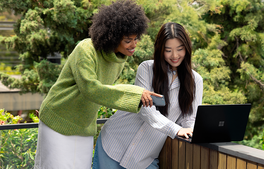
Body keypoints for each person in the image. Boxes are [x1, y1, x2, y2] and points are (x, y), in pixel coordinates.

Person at [34, 0, 161, 168]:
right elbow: (90, 88)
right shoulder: (86, 49)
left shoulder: (119, 59)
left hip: (84, 125)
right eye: (128, 40)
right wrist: (136, 94)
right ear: (113, 37)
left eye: (136, 38)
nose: (134, 45)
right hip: (58, 119)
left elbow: (105, 92)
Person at [92, 22, 203, 169]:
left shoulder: (196, 80)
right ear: (160, 49)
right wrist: (176, 129)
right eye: (168, 50)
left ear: (187, 49)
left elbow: (189, 117)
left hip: (144, 158)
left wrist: (189, 132)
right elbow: (146, 110)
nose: (175, 56)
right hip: (114, 143)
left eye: (180, 49)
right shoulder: (146, 68)